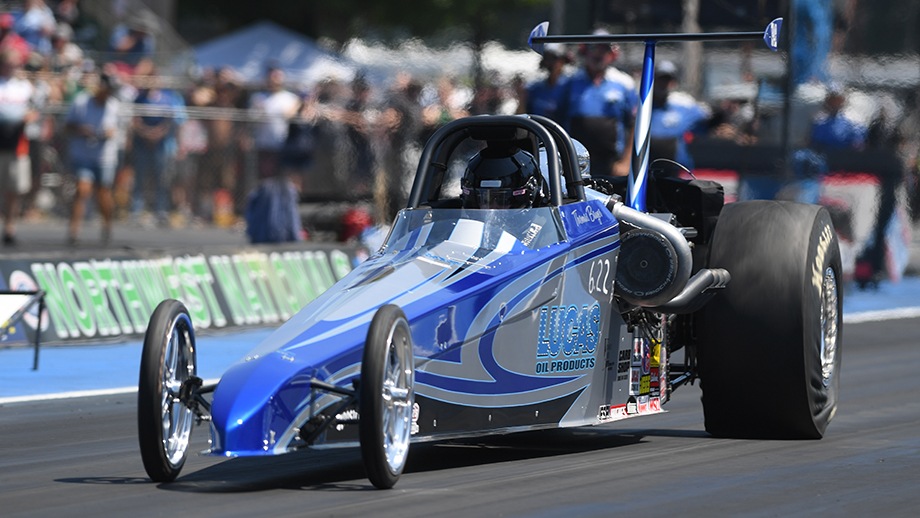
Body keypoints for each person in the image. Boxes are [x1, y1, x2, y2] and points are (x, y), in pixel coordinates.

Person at [555, 30, 638, 177]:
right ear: (584, 51)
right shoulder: (568, 81)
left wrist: (626, 162)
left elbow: (634, 125)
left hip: (611, 163)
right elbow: (556, 120)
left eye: (604, 49)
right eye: (594, 48)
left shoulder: (624, 84)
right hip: (574, 160)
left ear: (612, 54)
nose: (598, 54)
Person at [64, 72, 120, 244]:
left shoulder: (114, 106)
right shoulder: (81, 102)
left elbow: (117, 131)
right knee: (82, 190)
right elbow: (67, 126)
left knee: (103, 193)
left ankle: (107, 226)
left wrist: (108, 134)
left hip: (105, 156)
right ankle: (74, 230)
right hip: (83, 154)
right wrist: (81, 130)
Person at [130, 60, 186, 226]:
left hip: (161, 145)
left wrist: (157, 134)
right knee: (139, 178)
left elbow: (170, 121)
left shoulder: (166, 98)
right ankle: (136, 210)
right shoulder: (139, 98)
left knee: (161, 179)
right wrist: (146, 134)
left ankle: (161, 210)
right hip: (142, 143)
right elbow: (135, 120)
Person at [0, 49, 38, 245]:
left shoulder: (24, 87)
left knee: (13, 189)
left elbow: (34, 111)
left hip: (17, 144)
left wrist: (27, 117)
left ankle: (10, 227)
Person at [648, 60, 711, 173]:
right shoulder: (643, 107)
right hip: (649, 169)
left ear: (673, 82)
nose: (663, 84)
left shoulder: (684, 105)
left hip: (678, 169)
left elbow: (707, 122)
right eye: (660, 79)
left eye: (667, 80)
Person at [460, 141, 547, 210]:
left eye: (502, 200)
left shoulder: (548, 228)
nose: (492, 209)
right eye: (486, 200)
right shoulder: (464, 227)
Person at [516, 42, 571, 119]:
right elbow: (521, 116)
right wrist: (522, 99)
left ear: (563, 61)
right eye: (548, 59)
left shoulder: (570, 87)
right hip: (538, 129)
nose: (551, 63)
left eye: (554, 58)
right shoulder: (534, 88)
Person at [809, 86, 866, 150]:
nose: (835, 104)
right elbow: (813, 145)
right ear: (827, 102)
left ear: (843, 101)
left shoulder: (854, 125)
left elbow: (859, 145)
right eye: (832, 100)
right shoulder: (818, 125)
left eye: (838, 100)